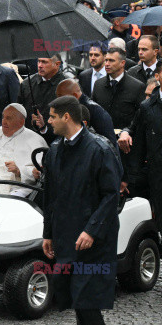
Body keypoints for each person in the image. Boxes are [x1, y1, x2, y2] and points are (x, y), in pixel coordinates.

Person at [43, 95, 123, 325]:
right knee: (75, 299)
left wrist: (91, 231)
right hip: (66, 238)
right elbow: (50, 196)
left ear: (67, 117)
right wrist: (47, 233)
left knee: (86, 301)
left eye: (52, 116)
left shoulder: (100, 149)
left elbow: (111, 196)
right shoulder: (55, 150)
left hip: (94, 242)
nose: (48, 121)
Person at [119, 61, 162, 231]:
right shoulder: (147, 107)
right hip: (157, 173)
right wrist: (129, 178)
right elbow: (137, 139)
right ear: (157, 76)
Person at [92, 47, 145, 130]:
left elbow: (141, 116)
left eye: (111, 60)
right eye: (106, 60)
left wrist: (127, 131)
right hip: (102, 137)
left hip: (127, 138)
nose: (107, 64)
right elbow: (93, 112)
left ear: (122, 63)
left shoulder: (137, 87)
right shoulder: (98, 84)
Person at [17, 54, 66, 142]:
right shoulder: (26, 84)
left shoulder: (67, 85)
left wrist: (45, 128)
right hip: (29, 140)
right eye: (39, 61)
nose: (39, 65)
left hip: (57, 141)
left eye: (44, 62)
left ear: (57, 64)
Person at [55, 79, 116, 147]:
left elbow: (110, 145)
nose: (58, 101)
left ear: (74, 96)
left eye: (61, 97)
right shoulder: (69, 108)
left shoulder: (96, 111)